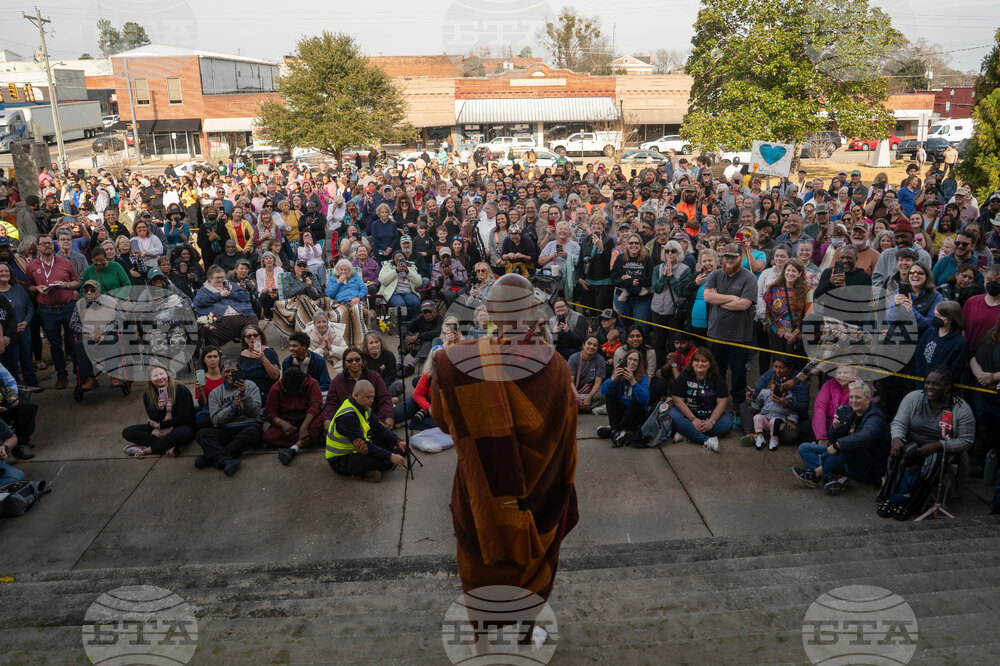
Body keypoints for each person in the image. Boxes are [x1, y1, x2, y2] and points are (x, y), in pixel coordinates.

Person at [431, 273, 578, 620]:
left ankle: (481, 635)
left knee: (479, 563)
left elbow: (443, 421)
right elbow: (566, 435)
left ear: (490, 311)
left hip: (482, 486)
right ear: (533, 311)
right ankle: (525, 633)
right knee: (532, 566)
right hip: (540, 493)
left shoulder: (457, 363)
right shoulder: (557, 366)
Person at [877, 367, 975, 520]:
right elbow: (899, 422)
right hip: (916, 442)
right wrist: (897, 438)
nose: (930, 387)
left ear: (947, 386)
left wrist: (939, 445)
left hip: (944, 449)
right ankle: (888, 498)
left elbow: (966, 441)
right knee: (898, 455)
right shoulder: (914, 398)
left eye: (936, 384)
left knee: (933, 464)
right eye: (927, 382)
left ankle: (910, 503)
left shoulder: (961, 408)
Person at [792, 379, 889, 495]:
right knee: (804, 448)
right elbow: (831, 439)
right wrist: (835, 428)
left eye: (858, 397)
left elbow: (865, 437)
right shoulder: (850, 410)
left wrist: (838, 445)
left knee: (852, 444)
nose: (853, 401)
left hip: (866, 468)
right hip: (844, 461)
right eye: (851, 397)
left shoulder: (875, 417)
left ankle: (816, 474)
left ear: (868, 399)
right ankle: (830, 478)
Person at [703, 242, 756, 422]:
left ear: (740, 257)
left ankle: (738, 407)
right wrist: (732, 298)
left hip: (739, 336)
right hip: (715, 334)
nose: (729, 260)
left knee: (738, 373)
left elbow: (744, 304)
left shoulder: (749, 278)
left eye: (733, 257)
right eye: (726, 256)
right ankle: (716, 403)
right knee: (716, 372)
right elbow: (708, 297)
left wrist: (719, 300)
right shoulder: (715, 275)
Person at [325, 379, 408, 483]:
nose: (372, 401)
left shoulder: (363, 406)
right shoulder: (347, 416)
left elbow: (378, 428)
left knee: (388, 442)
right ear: (356, 396)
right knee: (386, 462)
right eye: (368, 397)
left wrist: (398, 441)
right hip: (340, 459)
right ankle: (360, 473)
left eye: (373, 397)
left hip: (356, 448)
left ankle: (395, 454)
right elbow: (364, 445)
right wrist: (391, 456)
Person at [26, 235, 80, 389]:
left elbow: (77, 282)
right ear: (38, 247)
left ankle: (79, 373)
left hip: (67, 307)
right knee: (55, 345)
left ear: (53, 245)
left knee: (73, 341)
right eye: (43, 243)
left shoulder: (65, 262)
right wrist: (36, 288)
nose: (47, 246)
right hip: (47, 311)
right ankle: (61, 375)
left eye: (49, 243)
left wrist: (66, 285)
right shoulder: (32, 266)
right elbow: (29, 285)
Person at [195, 359, 263, 477]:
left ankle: (211, 458)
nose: (230, 374)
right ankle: (226, 461)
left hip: (248, 427)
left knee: (253, 433)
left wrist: (244, 395)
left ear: (240, 372)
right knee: (202, 434)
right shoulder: (215, 393)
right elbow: (216, 421)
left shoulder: (250, 385)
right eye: (226, 371)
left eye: (233, 371)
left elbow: (255, 413)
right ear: (221, 374)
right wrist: (232, 408)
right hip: (226, 429)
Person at [121, 365, 196, 458]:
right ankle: (169, 446)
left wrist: (161, 425)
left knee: (180, 434)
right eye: (155, 376)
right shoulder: (147, 394)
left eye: (162, 374)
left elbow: (185, 417)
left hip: (181, 425)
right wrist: (161, 410)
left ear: (167, 374)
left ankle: (147, 450)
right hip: (159, 427)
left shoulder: (180, 389)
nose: (160, 378)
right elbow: (153, 419)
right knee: (127, 432)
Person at [668, 346, 732, 452]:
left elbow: (722, 402)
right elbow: (677, 400)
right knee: (673, 415)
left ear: (709, 364)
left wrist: (711, 422)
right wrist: (693, 419)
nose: (700, 364)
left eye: (704, 361)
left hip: (709, 414)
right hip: (688, 415)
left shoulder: (717, 378)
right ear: (692, 363)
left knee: (727, 424)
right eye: (697, 361)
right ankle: (706, 440)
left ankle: (687, 433)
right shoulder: (685, 376)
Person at [319, 346, 395, 433]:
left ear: (362, 361)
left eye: (357, 359)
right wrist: (327, 420)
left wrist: (389, 417)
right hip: (349, 423)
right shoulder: (337, 381)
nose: (354, 363)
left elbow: (385, 398)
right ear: (345, 363)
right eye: (350, 361)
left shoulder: (374, 376)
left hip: (375, 419)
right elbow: (331, 404)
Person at [740, 356, 807, 450]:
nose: (777, 370)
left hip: (783, 418)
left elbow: (803, 407)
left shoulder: (799, 381)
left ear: (790, 368)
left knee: (791, 435)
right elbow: (759, 389)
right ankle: (752, 434)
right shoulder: (771, 374)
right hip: (765, 413)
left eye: (782, 367)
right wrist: (753, 393)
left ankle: (766, 434)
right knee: (744, 407)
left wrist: (786, 404)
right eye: (775, 366)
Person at [70, 280, 125, 389]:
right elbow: (73, 323)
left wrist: (105, 332)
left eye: (92, 290)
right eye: (86, 291)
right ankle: (89, 378)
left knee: (111, 339)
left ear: (98, 291)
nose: (89, 293)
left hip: (108, 333)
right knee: (79, 344)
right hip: (88, 336)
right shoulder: (79, 304)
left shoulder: (110, 301)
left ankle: (113, 375)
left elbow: (120, 319)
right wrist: (89, 333)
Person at [264, 365, 323, 465]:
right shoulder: (276, 388)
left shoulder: (312, 384)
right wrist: (281, 423)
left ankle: (295, 447)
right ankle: (308, 439)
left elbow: (316, 406)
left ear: (302, 384)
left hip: (307, 420)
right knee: (268, 436)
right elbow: (270, 412)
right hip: (288, 423)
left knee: (319, 421)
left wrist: (304, 427)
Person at [192, 266, 258, 348]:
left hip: (241, 317)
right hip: (219, 322)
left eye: (222, 277)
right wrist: (219, 295)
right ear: (210, 278)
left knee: (253, 321)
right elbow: (199, 301)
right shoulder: (204, 289)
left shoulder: (231, 285)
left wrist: (231, 293)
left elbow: (246, 296)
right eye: (217, 278)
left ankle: (252, 351)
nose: (220, 280)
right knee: (207, 328)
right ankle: (214, 353)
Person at [597, 347, 650, 447]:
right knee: (610, 390)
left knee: (638, 398)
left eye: (635, 360)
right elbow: (603, 391)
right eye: (630, 359)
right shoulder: (618, 374)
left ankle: (614, 430)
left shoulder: (643, 377)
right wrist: (613, 378)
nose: (632, 362)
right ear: (625, 360)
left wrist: (633, 381)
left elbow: (645, 400)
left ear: (639, 364)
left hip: (636, 415)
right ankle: (619, 432)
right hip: (621, 413)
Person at [325, 258, 369, 346]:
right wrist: (338, 282)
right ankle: (342, 342)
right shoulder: (334, 278)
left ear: (349, 271)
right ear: (337, 270)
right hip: (340, 303)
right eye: (341, 269)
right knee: (341, 314)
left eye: (346, 270)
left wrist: (358, 297)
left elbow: (364, 288)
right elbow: (329, 293)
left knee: (357, 310)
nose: (343, 272)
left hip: (355, 301)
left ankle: (362, 341)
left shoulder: (355, 277)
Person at [237, 323, 281, 399]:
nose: (252, 338)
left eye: (255, 335)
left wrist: (263, 359)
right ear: (245, 339)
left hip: (265, 394)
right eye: (249, 336)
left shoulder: (268, 352)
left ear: (260, 337)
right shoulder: (243, 354)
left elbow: (275, 376)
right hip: (249, 394)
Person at [400, 301, 443, 375]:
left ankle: (412, 366)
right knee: (406, 336)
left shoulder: (441, 320)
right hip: (418, 349)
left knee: (429, 341)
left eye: (430, 311)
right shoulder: (420, 318)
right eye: (425, 312)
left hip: (432, 353)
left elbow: (437, 333)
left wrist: (417, 337)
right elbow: (403, 328)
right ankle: (399, 363)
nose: (427, 314)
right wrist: (407, 338)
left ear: (435, 310)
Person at [568, 335, 606, 414]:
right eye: (589, 343)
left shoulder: (600, 360)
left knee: (605, 393)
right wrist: (577, 396)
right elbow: (570, 382)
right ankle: (587, 407)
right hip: (574, 391)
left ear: (597, 348)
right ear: (583, 345)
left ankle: (579, 406)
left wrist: (589, 396)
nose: (591, 347)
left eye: (595, 345)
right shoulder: (574, 358)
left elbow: (597, 383)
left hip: (590, 392)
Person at [303, 311, 348, 376]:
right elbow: (307, 358)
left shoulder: (336, 332)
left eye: (324, 322)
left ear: (328, 322)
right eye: (318, 322)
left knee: (346, 363)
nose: (322, 325)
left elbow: (346, 353)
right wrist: (321, 348)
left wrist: (330, 347)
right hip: (317, 366)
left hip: (334, 364)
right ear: (314, 324)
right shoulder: (307, 335)